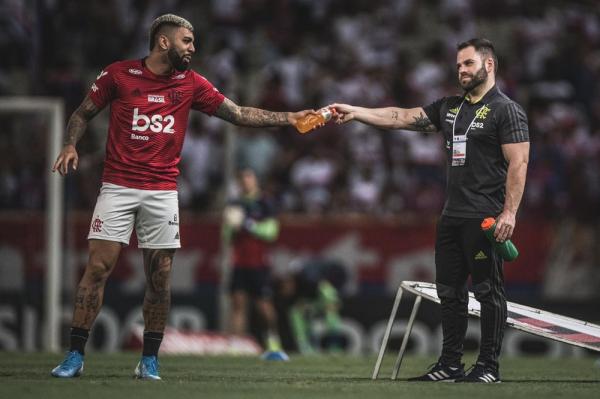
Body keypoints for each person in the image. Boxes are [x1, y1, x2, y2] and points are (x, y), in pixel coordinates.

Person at [50, 14, 316, 380]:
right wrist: (69, 144)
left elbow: (238, 114)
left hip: (162, 192)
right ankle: (75, 355)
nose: (193, 47)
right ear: (164, 42)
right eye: (187, 41)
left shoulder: (190, 84)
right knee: (97, 268)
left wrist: (290, 118)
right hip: (118, 186)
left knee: (160, 277)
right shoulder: (119, 74)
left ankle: (149, 360)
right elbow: (82, 113)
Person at [330, 38, 529, 383]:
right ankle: (450, 364)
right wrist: (357, 112)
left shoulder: (505, 109)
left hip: (485, 218)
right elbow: (401, 117)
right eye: (458, 66)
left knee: (488, 292)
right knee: (449, 293)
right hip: (451, 217)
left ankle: (488, 368)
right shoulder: (450, 107)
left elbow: (519, 162)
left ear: (489, 65)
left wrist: (509, 213)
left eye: (468, 64)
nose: (461, 71)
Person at [222, 168, 287, 361]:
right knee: (237, 303)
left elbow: (271, 232)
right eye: (242, 178)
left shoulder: (265, 203)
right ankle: (235, 345)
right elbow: (227, 236)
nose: (246, 182)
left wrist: (248, 224)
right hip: (239, 262)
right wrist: (231, 226)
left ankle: (273, 342)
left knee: (264, 306)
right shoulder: (234, 204)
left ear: (255, 180)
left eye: (249, 177)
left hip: (259, 263)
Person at [275, 257, 346, 355]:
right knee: (295, 314)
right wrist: (305, 307)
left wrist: (329, 302)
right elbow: (300, 304)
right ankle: (305, 346)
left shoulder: (311, 281)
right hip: (313, 305)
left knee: (331, 316)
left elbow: (328, 294)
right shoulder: (293, 291)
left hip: (323, 301)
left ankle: (334, 347)